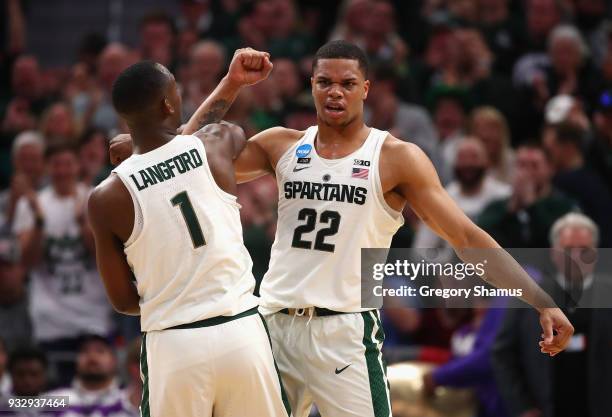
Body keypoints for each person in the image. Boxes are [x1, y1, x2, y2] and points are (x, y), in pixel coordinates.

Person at [112, 41, 574, 417]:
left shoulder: (395, 157)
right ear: (312, 87)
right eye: (325, 82)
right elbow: (181, 162)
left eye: (347, 84)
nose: (335, 92)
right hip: (273, 326)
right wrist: (231, 83)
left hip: (346, 333)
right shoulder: (280, 145)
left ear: (366, 89)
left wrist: (541, 300)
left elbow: (468, 239)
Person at [87, 52, 290, 417]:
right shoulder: (217, 141)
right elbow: (191, 139)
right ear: (168, 103)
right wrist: (231, 83)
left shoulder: (106, 197)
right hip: (241, 334)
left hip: (173, 344)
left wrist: (174, 294)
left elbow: (121, 299)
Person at [492, 213, 612, 417]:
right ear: (553, 253)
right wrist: (522, 406)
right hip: (545, 406)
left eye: (584, 250)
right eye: (567, 250)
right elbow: (503, 353)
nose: (575, 258)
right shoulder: (529, 296)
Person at [49, 335, 135, 417]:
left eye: (100, 351)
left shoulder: (131, 399)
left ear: (114, 361)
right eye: (85, 351)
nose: (92, 357)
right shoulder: (53, 399)